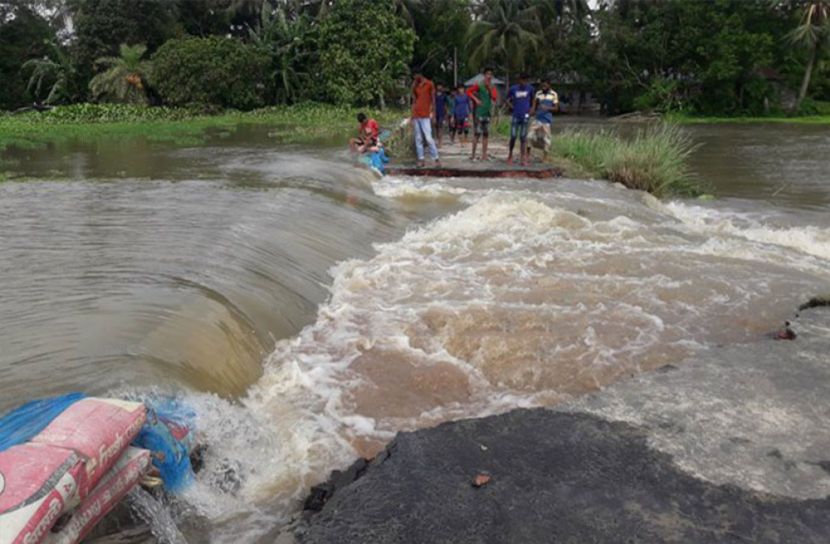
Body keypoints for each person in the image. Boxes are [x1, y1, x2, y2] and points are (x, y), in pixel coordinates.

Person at [467, 68, 498, 161]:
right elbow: (468, 91)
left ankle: (484, 155)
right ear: (484, 75)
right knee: (477, 134)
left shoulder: (492, 86)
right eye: (487, 74)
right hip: (479, 112)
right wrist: (476, 100)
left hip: (487, 113)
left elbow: (494, 98)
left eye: (490, 74)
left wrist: (489, 88)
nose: (489, 76)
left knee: (486, 134)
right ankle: (473, 154)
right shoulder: (479, 85)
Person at [411, 70, 440, 167]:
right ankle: (421, 159)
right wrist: (412, 114)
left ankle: (436, 158)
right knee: (418, 138)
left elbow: (433, 99)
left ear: (419, 74)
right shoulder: (416, 85)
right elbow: (414, 100)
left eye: (415, 76)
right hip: (416, 114)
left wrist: (434, 114)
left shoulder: (429, 84)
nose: (414, 78)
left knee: (428, 138)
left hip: (426, 115)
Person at [506, 73, 534, 166]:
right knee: (513, 136)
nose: (524, 82)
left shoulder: (530, 89)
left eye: (525, 80)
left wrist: (532, 109)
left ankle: (523, 157)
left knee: (523, 137)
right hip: (515, 115)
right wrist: (512, 107)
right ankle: (510, 155)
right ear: (519, 80)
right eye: (522, 80)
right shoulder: (513, 88)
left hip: (525, 116)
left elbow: (533, 100)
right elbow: (507, 99)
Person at [529, 80, 559, 161]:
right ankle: (527, 155)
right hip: (538, 118)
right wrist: (531, 112)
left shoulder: (554, 94)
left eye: (545, 86)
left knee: (547, 139)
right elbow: (534, 105)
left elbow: (556, 108)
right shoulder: (538, 93)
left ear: (549, 85)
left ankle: (545, 157)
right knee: (530, 136)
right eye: (542, 86)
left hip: (547, 120)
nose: (543, 87)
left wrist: (547, 108)